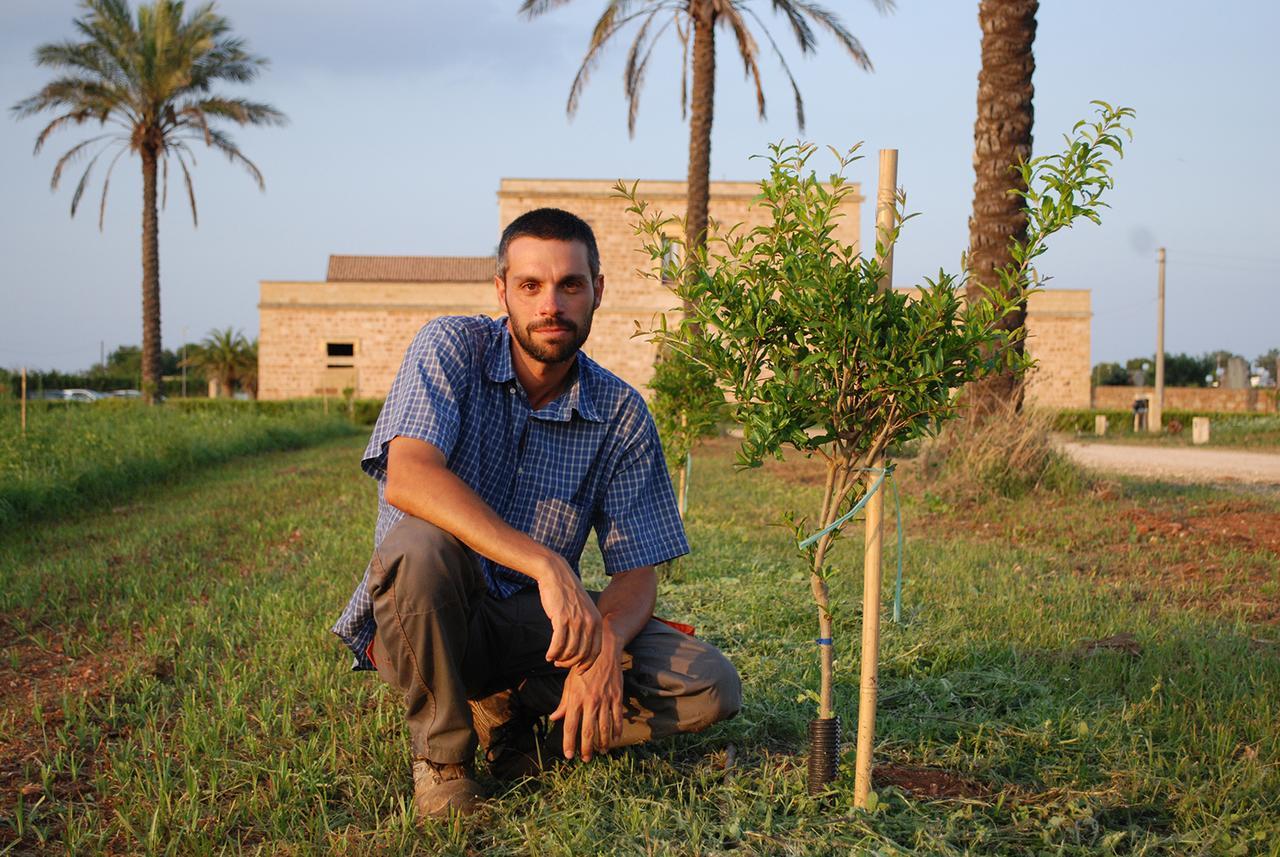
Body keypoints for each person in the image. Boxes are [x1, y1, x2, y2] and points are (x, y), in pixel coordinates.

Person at [331, 208, 741, 819]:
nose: (550, 304)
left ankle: (520, 716)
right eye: (530, 286)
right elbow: (410, 478)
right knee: (419, 546)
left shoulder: (622, 414)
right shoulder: (450, 348)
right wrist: (546, 564)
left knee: (709, 684)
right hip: (433, 616)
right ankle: (444, 761)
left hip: (536, 631)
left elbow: (636, 575)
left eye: (570, 285)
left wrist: (602, 647)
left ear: (598, 290)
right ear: (502, 291)